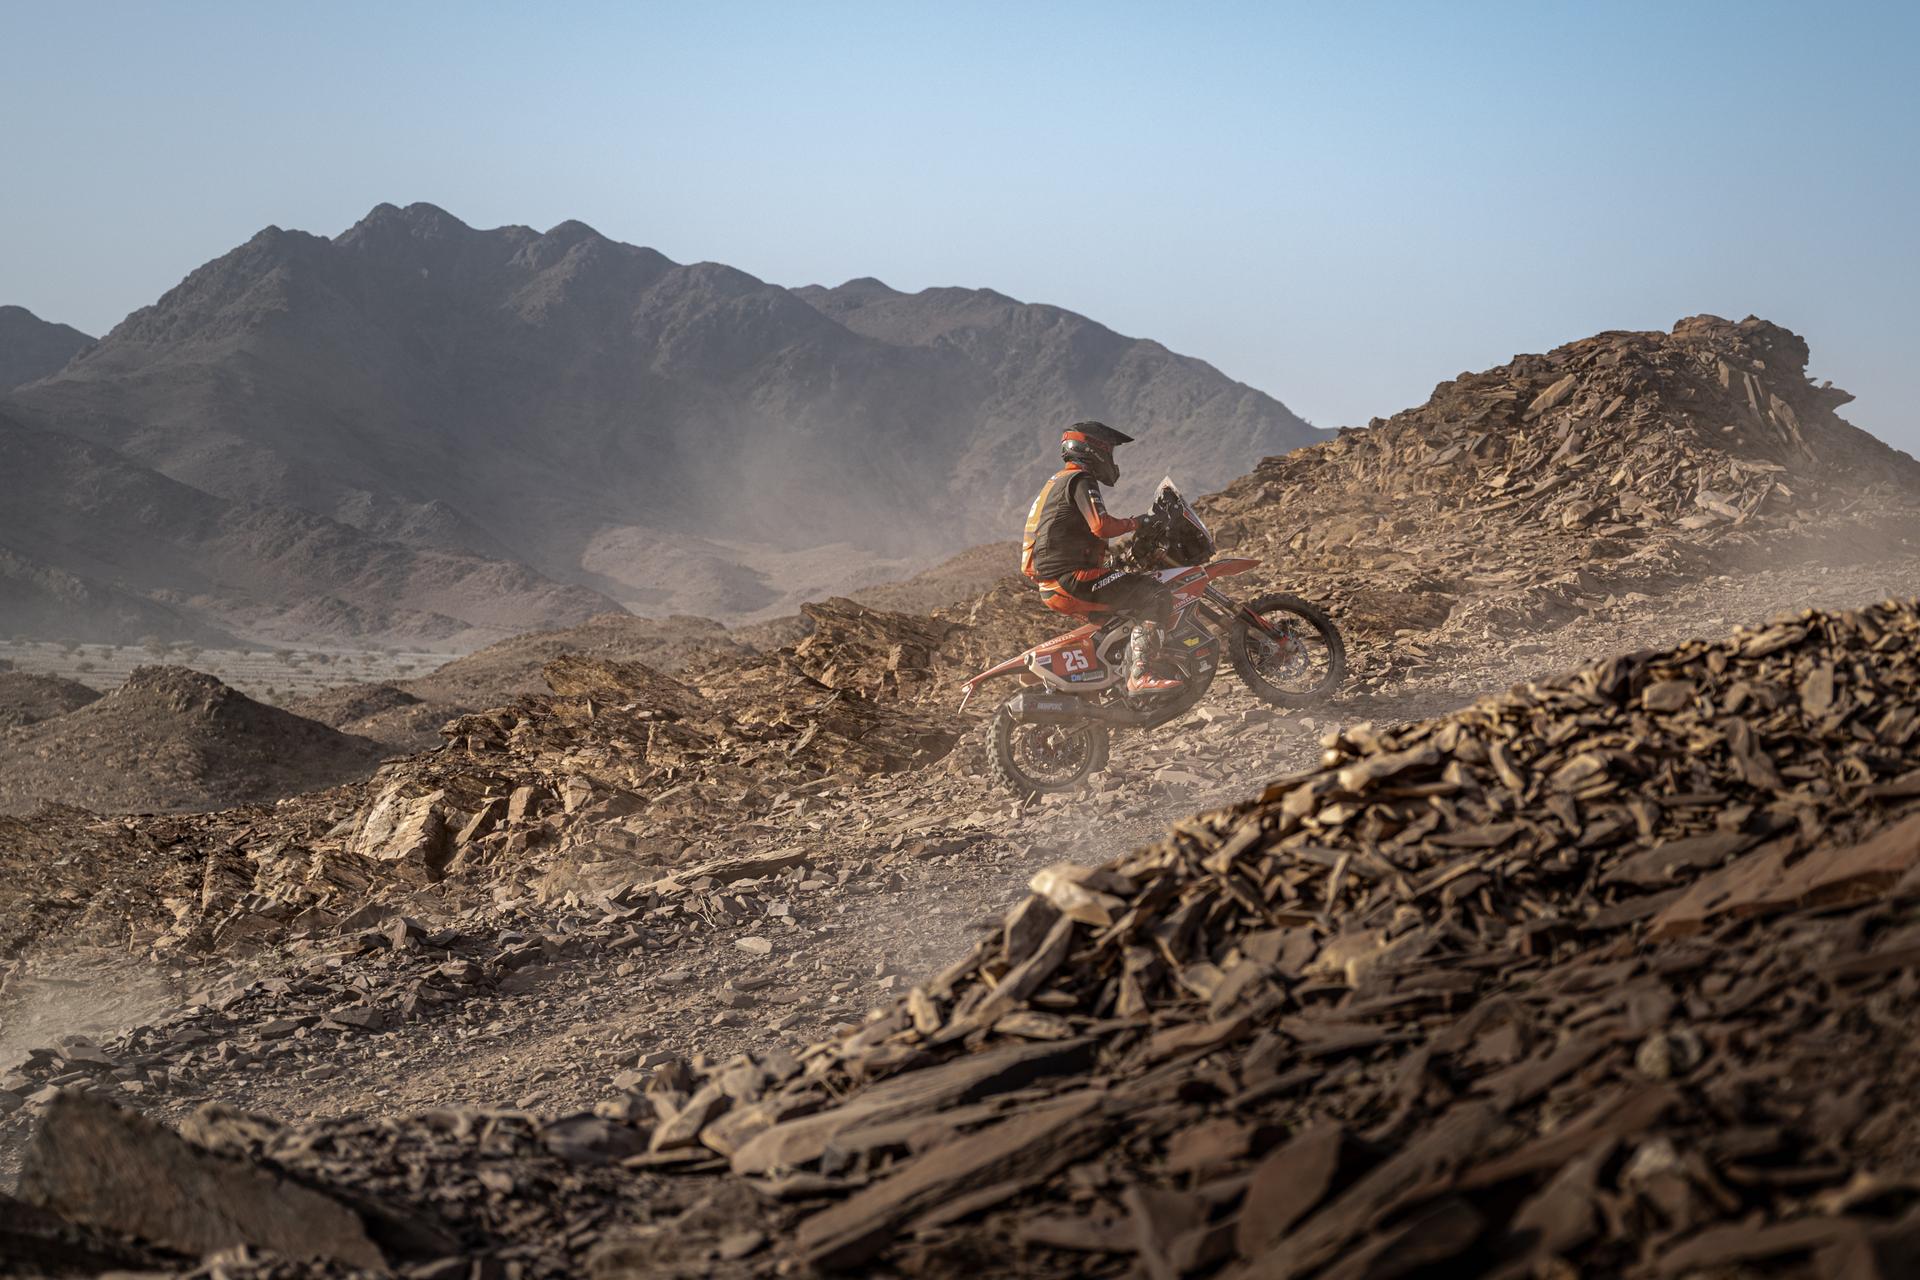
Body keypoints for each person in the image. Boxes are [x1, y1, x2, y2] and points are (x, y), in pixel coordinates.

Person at [1020, 421, 1183, 694]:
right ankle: (1140, 675)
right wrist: (1139, 522)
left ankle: (1114, 682)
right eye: (1108, 450)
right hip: (1072, 580)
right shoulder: (1080, 479)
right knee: (1155, 595)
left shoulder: (1059, 482)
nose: (1110, 457)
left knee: (1124, 613)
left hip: (1056, 583)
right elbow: (1101, 526)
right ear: (1091, 449)